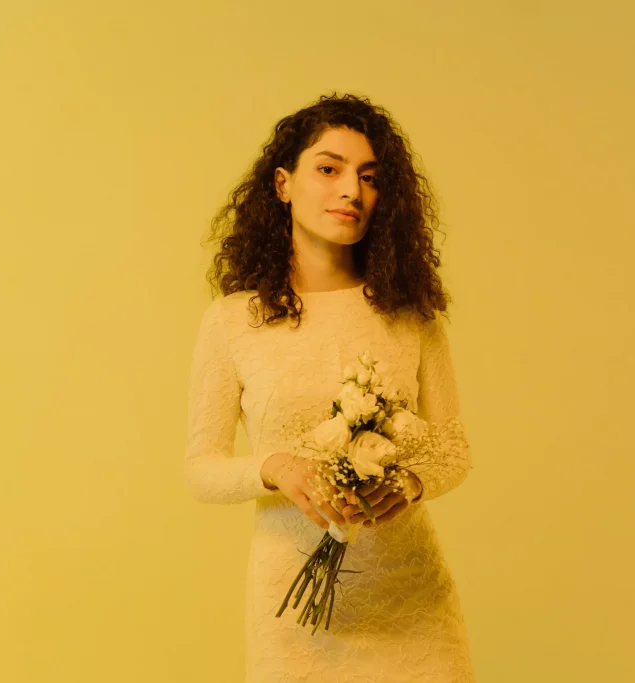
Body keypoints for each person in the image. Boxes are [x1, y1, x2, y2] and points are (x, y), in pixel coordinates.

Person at [185, 92, 476, 682]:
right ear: (283, 184)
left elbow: (453, 450)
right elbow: (201, 468)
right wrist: (276, 467)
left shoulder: (410, 313)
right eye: (329, 169)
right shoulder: (233, 321)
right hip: (294, 611)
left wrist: (413, 481)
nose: (352, 191)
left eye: (369, 177)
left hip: (412, 600)